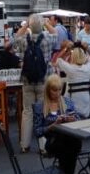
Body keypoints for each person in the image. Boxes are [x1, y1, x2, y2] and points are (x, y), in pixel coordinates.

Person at [12, 14, 61, 152]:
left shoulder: (23, 40)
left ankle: (24, 145)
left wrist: (26, 25)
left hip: (27, 81)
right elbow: (55, 33)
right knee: (42, 111)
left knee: (27, 111)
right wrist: (46, 23)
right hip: (43, 80)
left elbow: (16, 37)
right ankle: (43, 146)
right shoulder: (47, 39)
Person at [34, 75, 83, 174]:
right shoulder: (40, 106)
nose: (57, 93)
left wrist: (72, 119)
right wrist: (53, 125)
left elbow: (78, 118)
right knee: (70, 151)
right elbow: (37, 132)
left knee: (69, 149)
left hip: (69, 140)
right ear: (48, 90)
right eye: (54, 90)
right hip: (52, 141)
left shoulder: (67, 101)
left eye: (59, 90)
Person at [53, 44, 90, 118]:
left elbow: (58, 60)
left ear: (73, 56)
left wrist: (66, 49)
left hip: (70, 102)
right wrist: (88, 49)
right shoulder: (87, 68)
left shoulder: (70, 69)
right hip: (85, 102)